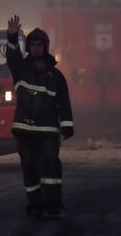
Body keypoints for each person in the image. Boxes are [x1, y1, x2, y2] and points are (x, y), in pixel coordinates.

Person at [6, 15, 74, 218]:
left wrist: (67, 125)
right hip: (24, 131)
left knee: (51, 164)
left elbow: (64, 102)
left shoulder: (56, 76)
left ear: (45, 47)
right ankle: (34, 204)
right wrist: (11, 38)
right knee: (29, 167)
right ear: (28, 47)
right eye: (32, 44)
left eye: (39, 44)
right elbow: (12, 58)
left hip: (47, 130)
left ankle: (52, 203)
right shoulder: (20, 70)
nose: (36, 48)